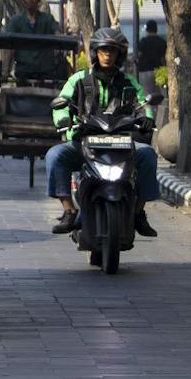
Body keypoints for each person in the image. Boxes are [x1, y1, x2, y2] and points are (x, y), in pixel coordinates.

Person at [45, 26, 160, 238]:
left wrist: (147, 118)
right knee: (55, 155)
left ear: (120, 55)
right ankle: (69, 210)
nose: (107, 55)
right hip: (84, 144)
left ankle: (138, 212)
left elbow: (143, 103)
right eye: (103, 50)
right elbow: (62, 103)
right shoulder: (78, 79)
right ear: (95, 53)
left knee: (148, 155)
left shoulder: (129, 83)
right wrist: (62, 119)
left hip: (122, 145)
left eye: (112, 51)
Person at [4, 0, 59, 84]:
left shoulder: (48, 19)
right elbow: (9, 47)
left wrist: (58, 45)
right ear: (23, 0)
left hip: (45, 71)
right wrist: (5, 71)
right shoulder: (15, 21)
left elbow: (57, 33)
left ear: (38, 0)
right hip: (23, 70)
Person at [135, 20, 167, 94]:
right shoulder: (161, 42)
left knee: (146, 95)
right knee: (158, 95)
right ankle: (155, 106)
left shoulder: (143, 41)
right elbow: (163, 58)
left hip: (145, 71)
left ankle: (149, 106)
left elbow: (139, 55)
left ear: (147, 29)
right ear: (156, 29)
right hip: (158, 71)